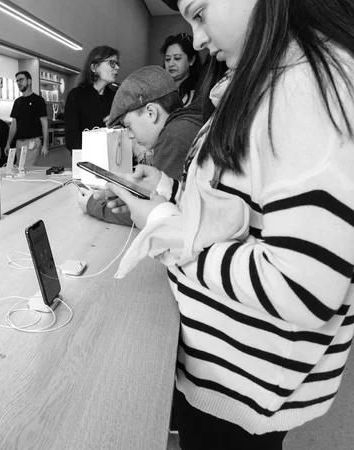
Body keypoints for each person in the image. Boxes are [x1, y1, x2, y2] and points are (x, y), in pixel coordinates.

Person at [98, 0, 354, 448]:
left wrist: (164, 227)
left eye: (199, 13)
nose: (197, 39)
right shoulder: (266, 83)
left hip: (242, 383)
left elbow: (302, 286)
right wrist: (166, 190)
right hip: (226, 374)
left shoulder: (306, 84)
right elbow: (236, 211)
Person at [78, 65, 202, 227]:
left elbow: (158, 212)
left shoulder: (174, 135)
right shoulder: (187, 124)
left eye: (128, 125)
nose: (129, 135)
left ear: (151, 112)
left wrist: (93, 205)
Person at [64, 46, 119, 152]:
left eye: (117, 63)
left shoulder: (116, 97)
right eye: (112, 63)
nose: (116, 67)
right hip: (86, 162)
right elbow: (71, 139)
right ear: (94, 68)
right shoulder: (76, 96)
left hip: (114, 160)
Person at [4, 71, 48, 167]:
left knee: (27, 168)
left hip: (33, 142)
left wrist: (45, 144)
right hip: (19, 143)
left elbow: (44, 123)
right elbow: (14, 125)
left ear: (29, 81)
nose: (19, 83)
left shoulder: (38, 101)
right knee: (19, 169)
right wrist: (8, 143)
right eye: (17, 81)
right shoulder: (17, 102)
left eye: (21, 80)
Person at [161, 33, 201, 106]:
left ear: (191, 60)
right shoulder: (160, 90)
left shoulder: (199, 93)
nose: (171, 64)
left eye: (177, 58)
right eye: (167, 59)